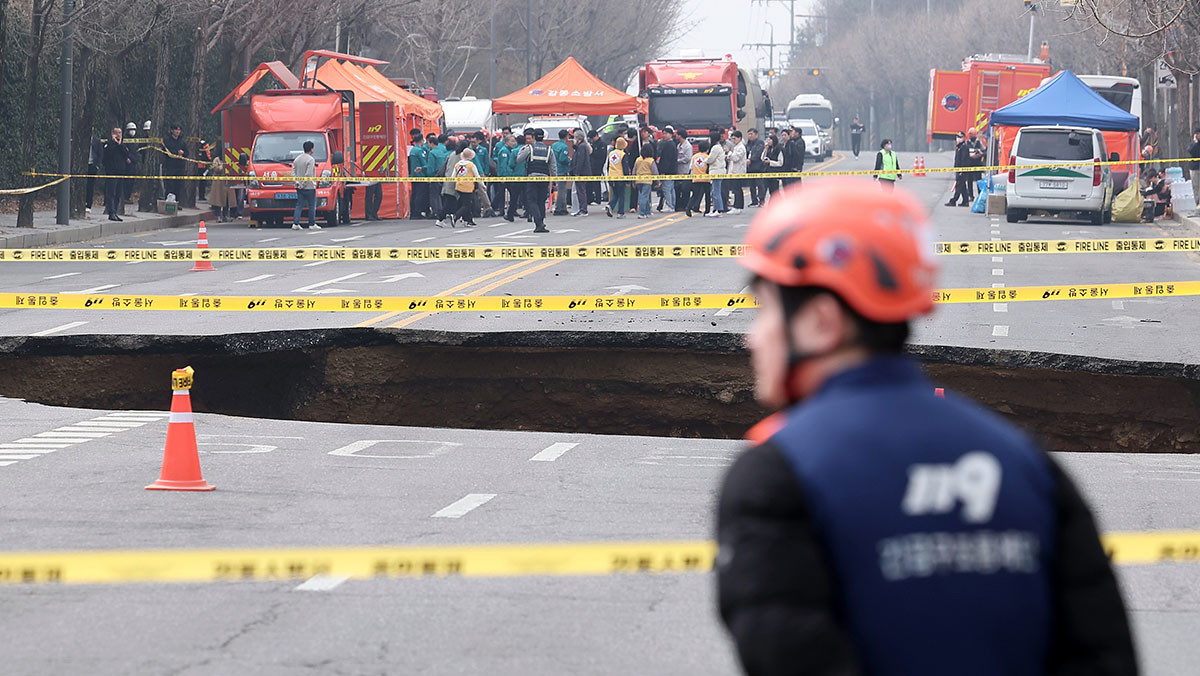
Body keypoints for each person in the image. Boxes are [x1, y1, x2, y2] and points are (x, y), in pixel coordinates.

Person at [716, 178, 1138, 676]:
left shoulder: (777, 474)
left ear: (822, 322)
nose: (751, 337)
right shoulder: (1024, 462)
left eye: (763, 310)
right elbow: (1102, 654)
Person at [517, 128, 554, 232]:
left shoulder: (530, 148)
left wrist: (522, 149)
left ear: (533, 137)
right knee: (541, 201)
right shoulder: (549, 149)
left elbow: (519, 159)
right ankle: (541, 222)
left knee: (532, 201)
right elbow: (553, 165)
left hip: (532, 178)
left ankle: (538, 223)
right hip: (544, 178)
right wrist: (555, 180)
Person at [101, 126, 133, 222]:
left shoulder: (122, 146)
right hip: (112, 172)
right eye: (116, 133)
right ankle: (111, 212)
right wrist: (114, 143)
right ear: (112, 134)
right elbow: (107, 154)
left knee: (118, 193)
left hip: (121, 172)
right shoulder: (109, 144)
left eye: (120, 133)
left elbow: (126, 154)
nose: (118, 135)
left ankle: (115, 211)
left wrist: (119, 144)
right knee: (111, 193)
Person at [291, 140, 320, 230]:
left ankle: (296, 223)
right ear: (311, 149)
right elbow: (308, 174)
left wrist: (297, 183)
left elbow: (293, 173)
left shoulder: (297, 159)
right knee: (312, 205)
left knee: (299, 205)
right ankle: (311, 224)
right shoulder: (310, 160)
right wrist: (303, 184)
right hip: (309, 186)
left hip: (299, 187)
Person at [451, 147, 480, 227]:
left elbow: (453, 177)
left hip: (459, 186)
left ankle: (468, 220)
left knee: (464, 203)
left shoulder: (457, 165)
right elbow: (477, 177)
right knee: (467, 205)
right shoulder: (471, 165)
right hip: (468, 187)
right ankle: (456, 216)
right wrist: (482, 185)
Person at [425, 134, 450, 224]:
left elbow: (430, 167)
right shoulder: (441, 151)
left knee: (434, 195)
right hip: (442, 175)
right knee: (440, 194)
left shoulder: (432, 153)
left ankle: (435, 211)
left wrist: (429, 176)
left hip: (434, 176)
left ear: (431, 143)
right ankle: (440, 210)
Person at [502, 134, 526, 222]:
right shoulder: (529, 150)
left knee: (514, 197)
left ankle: (510, 214)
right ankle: (529, 213)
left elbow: (511, 164)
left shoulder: (515, 151)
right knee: (528, 196)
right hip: (527, 176)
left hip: (517, 176)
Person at [437, 139, 461, 227]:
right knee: (449, 202)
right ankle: (441, 218)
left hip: (448, 181)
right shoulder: (461, 157)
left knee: (451, 201)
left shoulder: (451, 155)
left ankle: (455, 216)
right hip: (455, 182)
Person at [469, 132, 493, 219]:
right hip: (471, 174)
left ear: (478, 141)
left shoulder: (483, 150)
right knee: (473, 193)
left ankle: (488, 208)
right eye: (472, 142)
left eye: (474, 142)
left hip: (480, 173)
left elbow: (486, 163)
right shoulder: (469, 151)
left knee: (482, 191)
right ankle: (476, 209)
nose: (473, 144)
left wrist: (485, 173)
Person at [946, 131, 972, 207]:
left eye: (960, 137)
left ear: (964, 138)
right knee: (962, 186)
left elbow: (964, 160)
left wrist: (961, 170)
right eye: (957, 137)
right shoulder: (959, 146)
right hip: (959, 169)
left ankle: (953, 201)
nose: (958, 139)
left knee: (959, 186)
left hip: (962, 170)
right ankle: (965, 201)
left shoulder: (964, 146)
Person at [569, 131, 592, 216]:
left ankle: (583, 209)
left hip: (582, 173)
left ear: (578, 138)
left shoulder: (582, 147)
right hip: (581, 172)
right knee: (580, 190)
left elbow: (580, 160)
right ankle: (581, 208)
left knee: (581, 190)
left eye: (575, 137)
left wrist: (577, 172)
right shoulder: (580, 146)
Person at [162, 124, 187, 201]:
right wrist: (176, 152)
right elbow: (166, 151)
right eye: (176, 130)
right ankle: (168, 202)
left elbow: (187, 152)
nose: (177, 131)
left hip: (179, 167)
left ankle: (177, 202)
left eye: (179, 130)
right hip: (170, 166)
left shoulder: (182, 141)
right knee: (170, 186)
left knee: (178, 186)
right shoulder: (167, 140)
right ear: (172, 130)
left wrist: (183, 153)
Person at [687, 140, 711, 217]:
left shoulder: (694, 157)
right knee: (707, 195)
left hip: (696, 178)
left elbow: (690, 167)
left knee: (695, 195)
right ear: (707, 149)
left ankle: (688, 207)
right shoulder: (708, 157)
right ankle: (707, 211)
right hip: (706, 179)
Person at [656, 126, 678, 212]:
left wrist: (663, 171)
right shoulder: (672, 144)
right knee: (671, 189)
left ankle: (669, 205)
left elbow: (666, 160)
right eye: (663, 133)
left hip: (668, 171)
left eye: (666, 133)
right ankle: (672, 205)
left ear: (671, 134)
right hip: (673, 170)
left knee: (667, 189)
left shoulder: (668, 145)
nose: (664, 135)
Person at [606, 136, 628, 219]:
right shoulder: (623, 155)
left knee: (615, 194)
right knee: (621, 195)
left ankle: (610, 205)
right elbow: (625, 167)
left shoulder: (611, 153)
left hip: (612, 176)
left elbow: (608, 166)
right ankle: (620, 213)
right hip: (620, 177)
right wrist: (627, 179)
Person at [706, 131, 727, 217]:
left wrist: (705, 160)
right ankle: (715, 209)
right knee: (715, 191)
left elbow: (710, 159)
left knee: (716, 191)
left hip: (716, 171)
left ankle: (719, 210)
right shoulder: (718, 147)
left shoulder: (715, 148)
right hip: (717, 171)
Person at [552, 129, 572, 215]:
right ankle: (559, 208)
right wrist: (569, 160)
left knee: (560, 189)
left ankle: (562, 207)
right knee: (562, 190)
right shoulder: (564, 147)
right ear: (567, 136)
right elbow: (562, 159)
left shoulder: (554, 145)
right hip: (562, 169)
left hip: (554, 169)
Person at [634, 144, 657, 219]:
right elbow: (655, 171)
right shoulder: (651, 160)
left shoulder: (638, 159)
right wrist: (658, 180)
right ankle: (641, 213)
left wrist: (633, 180)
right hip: (647, 180)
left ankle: (647, 211)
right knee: (644, 196)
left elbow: (634, 170)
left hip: (638, 180)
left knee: (644, 195)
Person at [727, 130, 748, 214]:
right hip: (734, 171)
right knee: (736, 189)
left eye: (734, 138)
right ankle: (738, 206)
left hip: (738, 171)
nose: (733, 140)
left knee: (737, 190)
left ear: (740, 138)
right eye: (732, 139)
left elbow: (735, 158)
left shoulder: (741, 147)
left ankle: (737, 207)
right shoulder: (736, 147)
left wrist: (729, 153)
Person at [745, 128, 765, 206]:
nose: (750, 136)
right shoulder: (749, 143)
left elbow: (758, 153)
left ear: (756, 135)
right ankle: (754, 200)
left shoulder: (759, 143)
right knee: (751, 185)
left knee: (760, 185)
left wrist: (751, 160)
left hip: (758, 167)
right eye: (749, 134)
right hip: (750, 168)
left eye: (751, 134)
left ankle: (762, 200)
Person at [85, 131, 104, 213]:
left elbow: (100, 153)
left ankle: (88, 204)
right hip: (83, 166)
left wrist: (97, 165)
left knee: (90, 186)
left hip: (92, 165)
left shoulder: (96, 140)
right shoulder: (81, 139)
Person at [761, 132, 784, 198]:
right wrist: (765, 149)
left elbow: (780, 163)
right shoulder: (769, 149)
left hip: (775, 172)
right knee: (769, 190)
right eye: (768, 140)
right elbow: (762, 158)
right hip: (767, 172)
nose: (768, 141)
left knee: (775, 191)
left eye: (770, 140)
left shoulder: (779, 149)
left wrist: (770, 162)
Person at [675, 129, 694, 211]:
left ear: (680, 135)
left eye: (677, 135)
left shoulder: (687, 146)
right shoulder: (679, 145)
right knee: (678, 189)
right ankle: (679, 205)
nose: (676, 136)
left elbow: (687, 158)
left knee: (685, 190)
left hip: (685, 171)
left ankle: (685, 205)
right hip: (678, 171)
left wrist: (677, 161)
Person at [588, 130, 607, 205]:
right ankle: (590, 198)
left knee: (596, 183)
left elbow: (601, 156)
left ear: (596, 136)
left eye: (592, 138)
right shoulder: (592, 143)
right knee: (590, 183)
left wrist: (592, 151)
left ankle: (598, 199)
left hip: (597, 166)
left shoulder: (602, 144)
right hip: (591, 166)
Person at [1188, 129, 1200, 216]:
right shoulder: (1193, 144)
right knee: (1196, 187)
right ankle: (1198, 205)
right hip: (1195, 168)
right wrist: (1195, 142)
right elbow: (1190, 151)